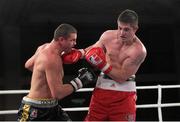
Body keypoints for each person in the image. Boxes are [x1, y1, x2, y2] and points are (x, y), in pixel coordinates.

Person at [62, 9, 147, 121]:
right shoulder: (107, 36)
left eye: (126, 30)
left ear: (135, 29)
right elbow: (94, 49)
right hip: (101, 91)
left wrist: (101, 64)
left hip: (124, 95)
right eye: (120, 28)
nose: (121, 33)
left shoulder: (138, 51)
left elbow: (121, 77)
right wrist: (79, 53)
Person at [17, 23, 96, 121]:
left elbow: (28, 65)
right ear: (61, 40)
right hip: (34, 110)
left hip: (52, 107)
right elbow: (58, 94)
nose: (75, 43)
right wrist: (80, 81)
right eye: (72, 40)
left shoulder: (43, 47)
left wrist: (45, 75)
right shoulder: (52, 59)